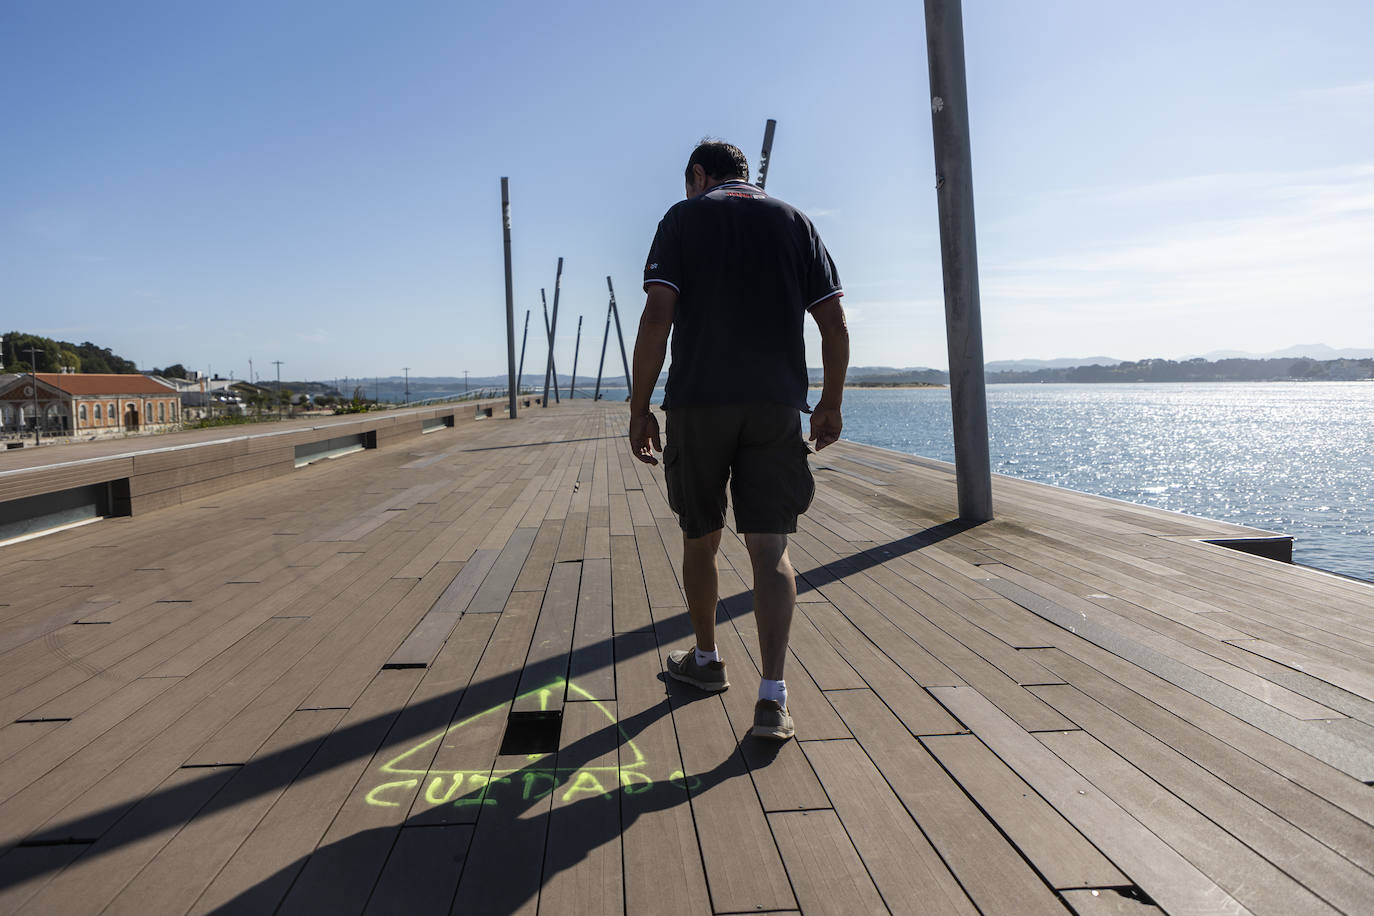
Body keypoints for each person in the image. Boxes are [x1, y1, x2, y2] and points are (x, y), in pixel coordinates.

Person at [628, 139, 849, 741]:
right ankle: (773, 697)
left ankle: (706, 661)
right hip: (776, 404)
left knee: (700, 540)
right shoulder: (794, 222)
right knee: (770, 549)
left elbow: (656, 319)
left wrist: (639, 408)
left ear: (699, 175)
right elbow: (833, 321)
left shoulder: (683, 219)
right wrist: (828, 403)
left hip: (700, 403)